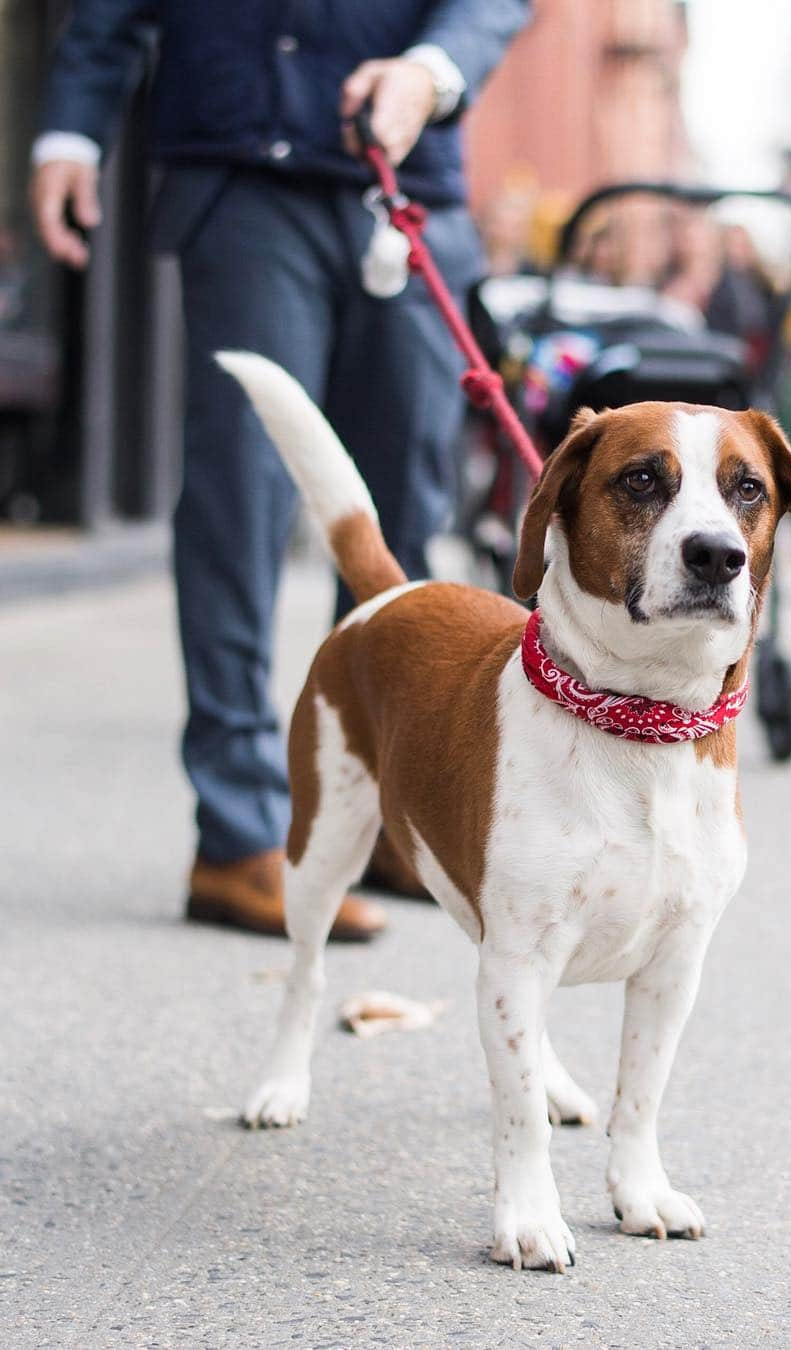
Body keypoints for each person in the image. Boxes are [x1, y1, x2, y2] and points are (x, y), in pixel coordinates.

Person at [31, 1, 531, 940]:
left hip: (403, 181)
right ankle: (238, 833)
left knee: (401, 521)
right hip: (242, 179)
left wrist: (428, 69)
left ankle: (392, 814)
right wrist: (68, 127)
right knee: (240, 501)